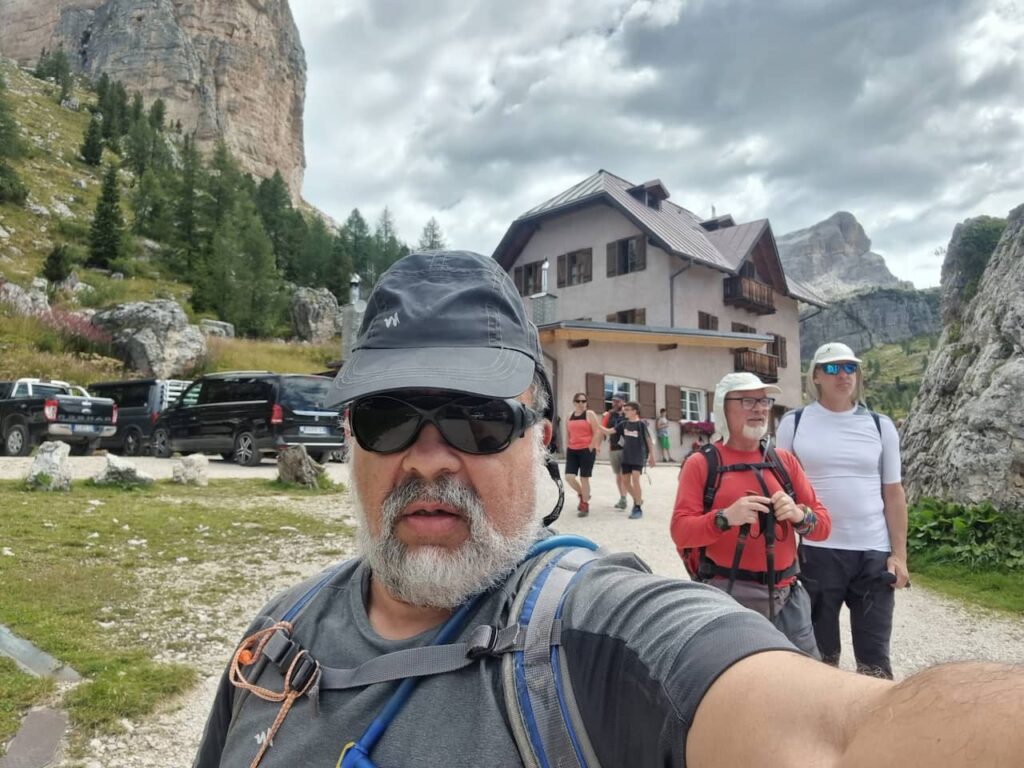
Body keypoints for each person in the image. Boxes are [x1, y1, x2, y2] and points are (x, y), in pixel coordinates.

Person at [195, 251, 1024, 768]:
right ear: (350, 436)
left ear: (539, 440)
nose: (429, 455)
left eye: (478, 419)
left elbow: (842, 740)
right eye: (388, 417)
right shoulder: (277, 635)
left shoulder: (594, 634)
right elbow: (688, 527)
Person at [671, 372, 831, 655]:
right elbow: (680, 531)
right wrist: (724, 518)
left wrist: (797, 514)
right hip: (727, 597)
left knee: (805, 685)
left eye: (764, 401)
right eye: (747, 401)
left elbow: (823, 525)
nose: (759, 408)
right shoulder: (701, 464)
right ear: (723, 407)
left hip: (788, 597)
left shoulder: (783, 462)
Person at [775, 342, 908, 679]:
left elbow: (893, 493)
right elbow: (778, 487)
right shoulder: (795, 422)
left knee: (875, 660)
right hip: (817, 551)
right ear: (816, 375)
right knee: (821, 657)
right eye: (832, 368)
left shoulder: (881, 425)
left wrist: (899, 556)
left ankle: (876, 729)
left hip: (872, 553)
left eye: (850, 367)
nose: (843, 375)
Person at [599, 401, 656, 518]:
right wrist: (596, 424)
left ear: (635, 411)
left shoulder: (641, 425)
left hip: (638, 457)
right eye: (625, 409)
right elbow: (610, 431)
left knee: (635, 480)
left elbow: (649, 441)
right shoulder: (623, 424)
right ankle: (638, 499)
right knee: (625, 482)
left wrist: (652, 457)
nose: (625, 411)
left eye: (628, 409)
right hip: (626, 457)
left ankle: (637, 508)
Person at [564, 392, 602, 516]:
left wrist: (592, 446)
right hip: (572, 450)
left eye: (584, 401)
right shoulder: (569, 415)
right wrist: (567, 447)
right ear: (574, 402)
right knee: (569, 477)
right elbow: (567, 433)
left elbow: (597, 431)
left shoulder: (589, 414)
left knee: (584, 478)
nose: (581, 403)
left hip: (586, 449)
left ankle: (584, 505)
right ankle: (583, 494)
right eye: (579, 401)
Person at [600, 391, 630, 509]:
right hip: (613, 448)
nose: (614, 403)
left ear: (623, 402)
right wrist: (596, 445)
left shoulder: (628, 414)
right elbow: (602, 429)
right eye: (613, 400)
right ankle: (622, 498)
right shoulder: (609, 415)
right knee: (618, 475)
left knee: (624, 475)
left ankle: (625, 498)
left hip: (627, 449)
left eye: (617, 401)